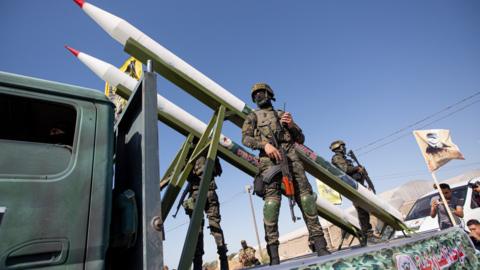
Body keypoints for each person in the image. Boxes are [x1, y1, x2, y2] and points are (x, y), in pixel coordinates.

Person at [242, 83, 330, 265]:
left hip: (292, 161)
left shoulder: (282, 114)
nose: (259, 96)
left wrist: (291, 126)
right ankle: (274, 257)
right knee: (271, 206)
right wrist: (264, 145)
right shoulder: (252, 116)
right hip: (269, 163)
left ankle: (320, 245)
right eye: (256, 94)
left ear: (269, 94)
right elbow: (246, 139)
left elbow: (301, 138)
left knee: (306, 200)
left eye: (261, 92)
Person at [183, 155, 229, 270]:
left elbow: (181, 172)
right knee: (215, 225)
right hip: (211, 192)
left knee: (197, 230)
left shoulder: (189, 152)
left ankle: (197, 266)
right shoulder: (210, 150)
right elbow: (219, 171)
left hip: (195, 194)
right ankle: (224, 263)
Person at [329, 140, 377, 246]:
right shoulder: (337, 158)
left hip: (358, 186)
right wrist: (357, 169)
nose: (344, 149)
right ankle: (367, 236)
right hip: (352, 188)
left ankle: (367, 235)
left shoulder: (345, 158)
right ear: (339, 148)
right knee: (362, 211)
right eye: (343, 147)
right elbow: (345, 169)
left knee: (364, 211)